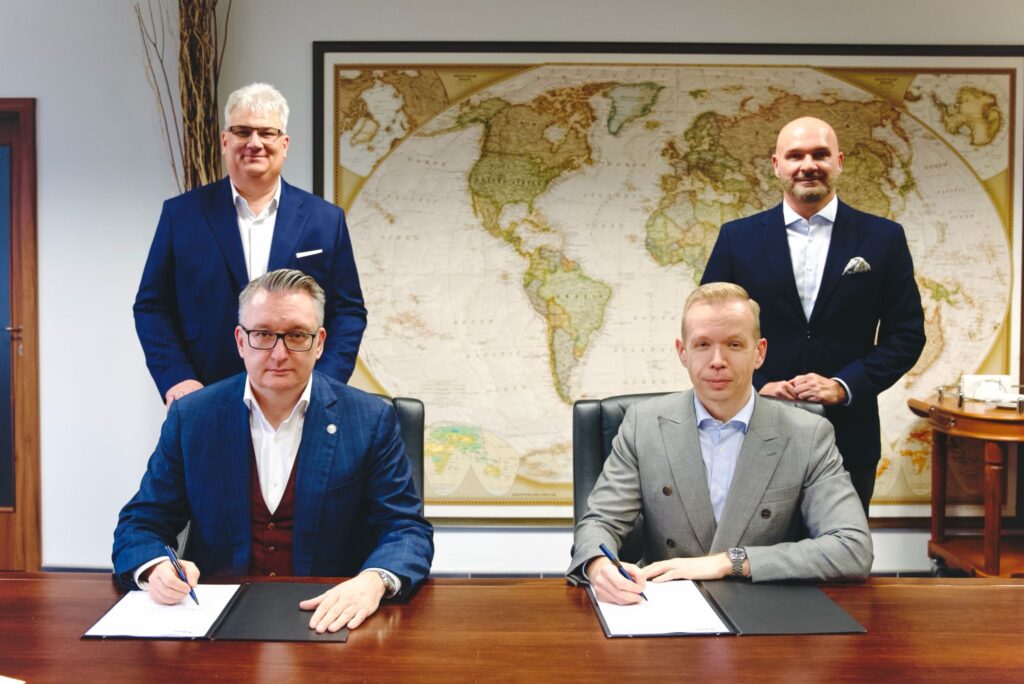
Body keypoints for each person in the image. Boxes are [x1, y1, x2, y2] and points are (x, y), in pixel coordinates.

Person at [114, 269, 432, 632]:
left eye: (296, 335)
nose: (279, 354)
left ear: (319, 343)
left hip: (332, 619)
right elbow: (140, 523)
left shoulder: (369, 419)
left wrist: (374, 581)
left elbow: (406, 528)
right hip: (216, 621)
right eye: (263, 334)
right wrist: (156, 567)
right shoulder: (193, 418)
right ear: (241, 341)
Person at [567, 282, 872, 605]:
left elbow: (852, 548)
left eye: (734, 344)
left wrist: (730, 562)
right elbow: (600, 522)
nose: (717, 360)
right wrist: (598, 566)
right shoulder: (643, 424)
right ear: (682, 352)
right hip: (663, 606)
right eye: (702, 344)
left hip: (765, 607)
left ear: (759, 352)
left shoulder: (807, 434)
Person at [701, 116, 925, 512]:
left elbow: (906, 335)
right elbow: (709, 331)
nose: (808, 165)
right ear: (777, 165)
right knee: (755, 545)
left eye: (820, 154)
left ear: (838, 162)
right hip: (754, 428)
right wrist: (757, 385)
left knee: (844, 544)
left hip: (848, 434)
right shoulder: (737, 238)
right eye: (795, 155)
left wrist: (843, 385)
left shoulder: (883, 238)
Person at [135, 82, 367, 407]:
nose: (254, 143)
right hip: (205, 395)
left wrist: (325, 381)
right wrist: (177, 377)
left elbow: (348, 312)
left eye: (267, 133)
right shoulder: (182, 215)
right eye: (242, 132)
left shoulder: (325, 220)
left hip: (298, 397)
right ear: (225, 141)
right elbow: (152, 306)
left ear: (284, 144)